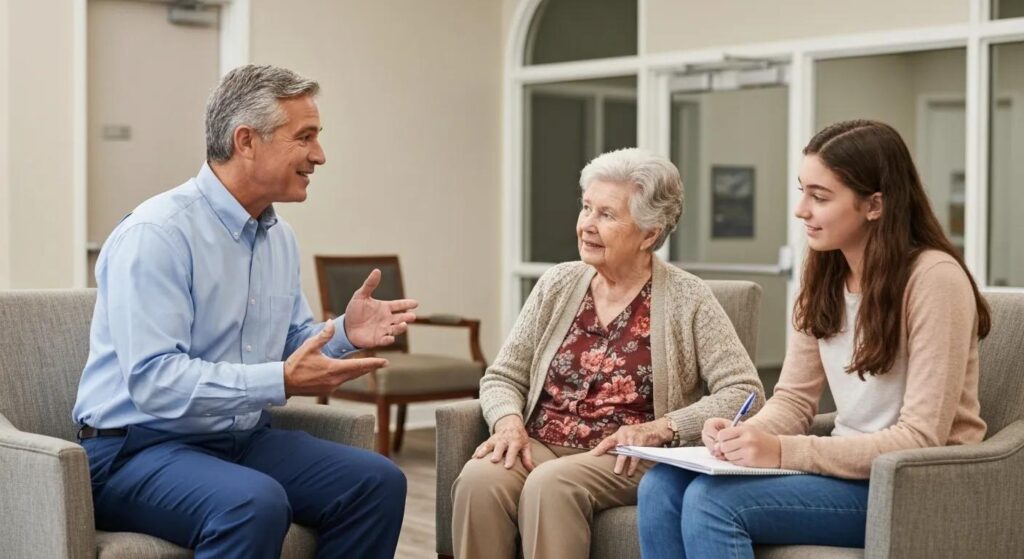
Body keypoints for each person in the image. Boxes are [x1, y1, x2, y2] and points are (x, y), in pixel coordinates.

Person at [72, 65, 415, 559]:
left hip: (238, 438)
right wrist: (280, 381)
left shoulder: (279, 237)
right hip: (133, 449)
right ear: (246, 140)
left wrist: (342, 332)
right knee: (253, 503)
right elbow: (154, 379)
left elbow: (287, 341)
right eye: (305, 137)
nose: (319, 155)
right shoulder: (157, 235)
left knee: (376, 482)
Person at [637, 119, 990, 558]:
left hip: (917, 486)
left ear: (875, 205)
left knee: (712, 503)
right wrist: (743, 435)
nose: (801, 209)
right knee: (660, 487)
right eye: (802, 190)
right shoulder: (825, 272)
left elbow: (920, 438)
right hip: (848, 472)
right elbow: (793, 401)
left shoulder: (934, 280)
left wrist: (783, 451)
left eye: (819, 197)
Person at [451, 148, 764, 559]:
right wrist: (508, 423)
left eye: (607, 215)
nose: (587, 226)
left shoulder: (690, 299)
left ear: (649, 234)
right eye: (586, 209)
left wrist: (663, 428)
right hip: (544, 439)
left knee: (553, 484)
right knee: (479, 480)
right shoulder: (557, 284)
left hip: (625, 457)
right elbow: (503, 376)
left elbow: (745, 392)